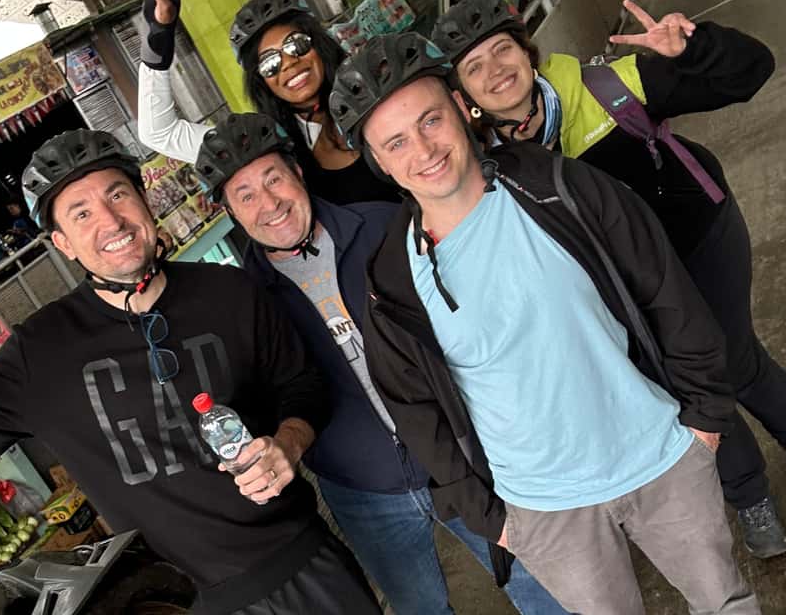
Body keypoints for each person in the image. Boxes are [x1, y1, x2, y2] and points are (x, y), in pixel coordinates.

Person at [0, 129, 381, 615]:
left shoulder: (230, 291)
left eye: (118, 195)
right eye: (81, 213)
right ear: (63, 243)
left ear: (145, 201)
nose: (110, 222)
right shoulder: (41, 351)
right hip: (183, 603)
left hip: (307, 565)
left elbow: (303, 385)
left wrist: (288, 444)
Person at [330, 32, 760, 613]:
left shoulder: (558, 186)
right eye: (396, 142)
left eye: (430, 120)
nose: (424, 150)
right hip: (544, 511)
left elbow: (665, 289)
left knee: (725, 603)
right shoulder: (392, 279)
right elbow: (415, 408)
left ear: (460, 108)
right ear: (380, 161)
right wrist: (490, 518)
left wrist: (704, 418)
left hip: (661, 459)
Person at [431, 0, 786, 558]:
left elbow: (751, 71)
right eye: (474, 66)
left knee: (731, 360)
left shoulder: (607, 86)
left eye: (502, 49)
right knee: (682, 389)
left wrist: (694, 49)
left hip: (698, 238)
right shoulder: (484, 163)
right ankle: (748, 493)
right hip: (627, 286)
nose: (495, 70)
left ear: (527, 52)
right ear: (462, 95)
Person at [193, 111, 566, 614]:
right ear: (231, 213)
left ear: (298, 173)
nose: (270, 203)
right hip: (362, 489)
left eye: (274, 179)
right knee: (420, 609)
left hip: (460, 454)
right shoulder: (246, 299)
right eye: (246, 195)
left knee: (540, 584)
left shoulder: (384, 225)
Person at [137, 0, 400, 205]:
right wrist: (159, 32)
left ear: (319, 47)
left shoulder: (376, 94)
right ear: (261, 81)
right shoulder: (262, 142)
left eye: (296, 45)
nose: (288, 63)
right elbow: (158, 133)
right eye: (270, 63)